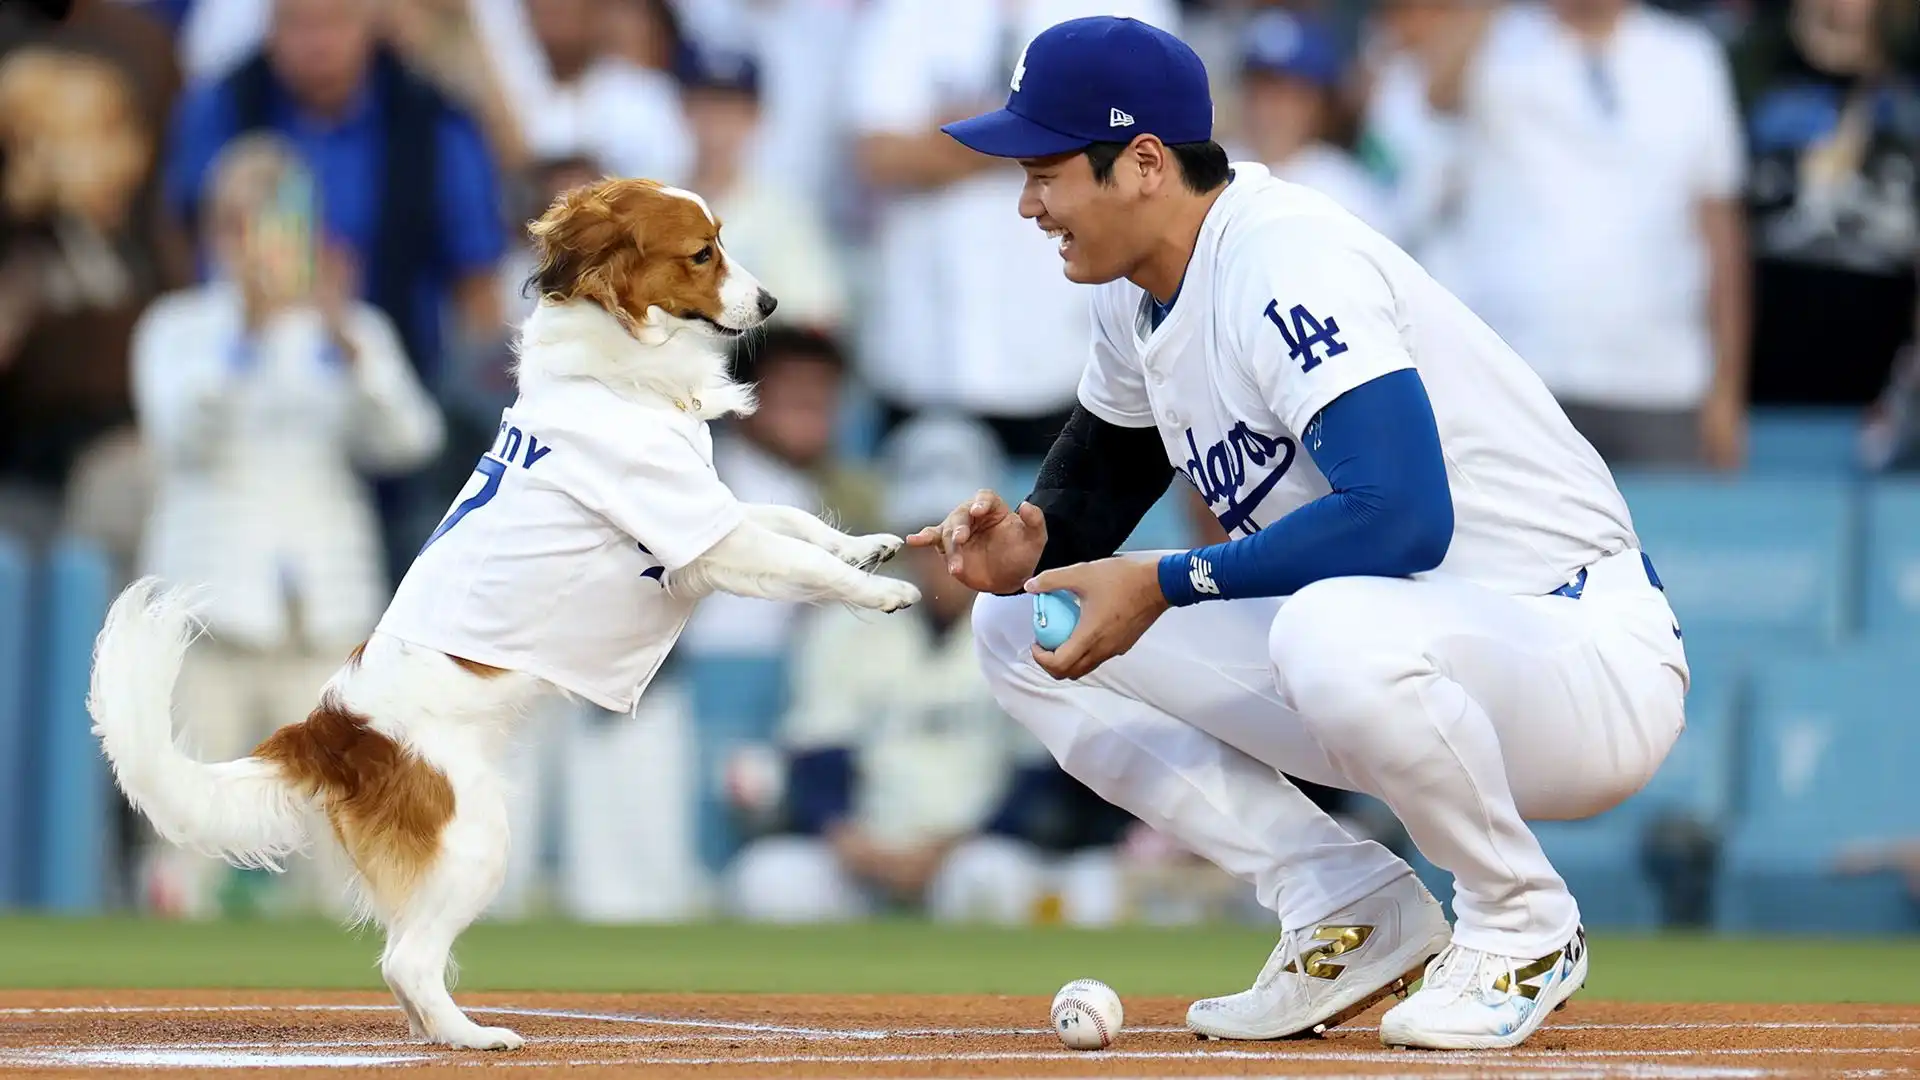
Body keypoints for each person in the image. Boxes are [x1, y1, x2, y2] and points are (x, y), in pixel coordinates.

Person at [917, 16, 1689, 1051]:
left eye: (1047, 166)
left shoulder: (1281, 259)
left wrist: (1166, 580)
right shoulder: (1136, 296)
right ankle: (1342, 902)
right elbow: (1102, 481)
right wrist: (1029, 545)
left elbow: (1404, 515)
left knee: (1328, 632)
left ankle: (1521, 921)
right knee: (1025, 628)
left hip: (1576, 647)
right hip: (1411, 658)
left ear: (1144, 163)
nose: (1027, 199)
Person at [129, 133, 444, 917]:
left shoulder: (350, 330)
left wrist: (343, 338)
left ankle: (341, 1019)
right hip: (211, 614)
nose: (260, 245)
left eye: (277, 224)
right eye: (243, 226)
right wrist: (246, 335)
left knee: (340, 838)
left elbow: (411, 440)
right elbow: (179, 434)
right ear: (216, 234)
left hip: (323, 617)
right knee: (186, 819)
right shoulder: (178, 327)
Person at [1414, 0, 1750, 470]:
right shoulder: (1498, 38)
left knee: (1667, 543)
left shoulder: (1689, 56)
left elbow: (1721, 234)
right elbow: (1434, 93)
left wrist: (1727, 390)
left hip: (1662, 382)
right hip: (1522, 376)